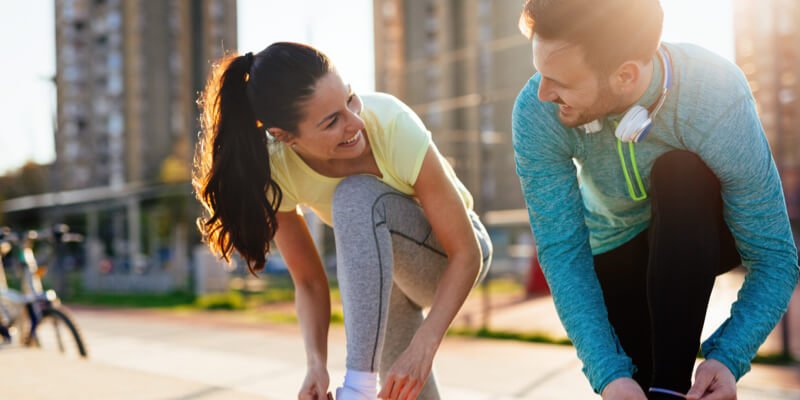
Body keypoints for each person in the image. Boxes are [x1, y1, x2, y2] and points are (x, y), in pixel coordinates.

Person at [511, 1, 799, 399]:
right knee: (635, 386)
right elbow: (563, 253)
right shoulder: (535, 112)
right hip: (614, 249)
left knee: (680, 172)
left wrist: (728, 358)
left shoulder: (714, 93)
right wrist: (608, 374)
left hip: (700, 233)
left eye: (559, 80)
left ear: (625, 75)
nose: (542, 93)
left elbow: (775, 257)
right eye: (539, 72)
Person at [193, 42, 492, 400]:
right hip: (387, 281)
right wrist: (315, 363)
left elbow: (467, 254)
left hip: (454, 256)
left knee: (354, 195)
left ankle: (357, 390)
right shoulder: (277, 169)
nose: (355, 122)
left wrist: (424, 345)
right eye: (332, 121)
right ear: (284, 136)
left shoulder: (392, 123)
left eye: (350, 99)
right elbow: (308, 282)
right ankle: (362, 387)